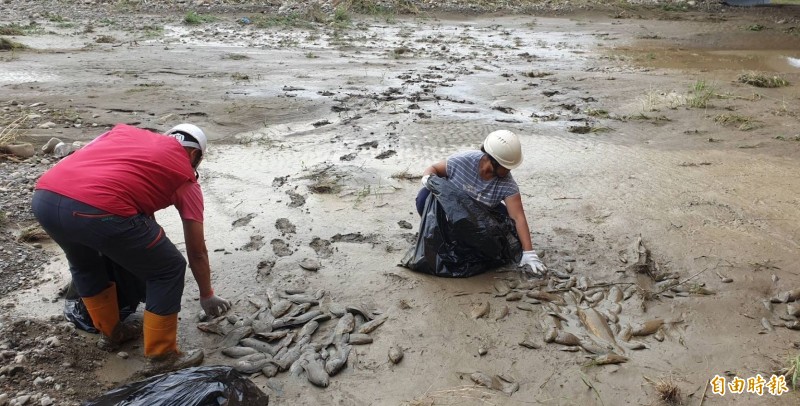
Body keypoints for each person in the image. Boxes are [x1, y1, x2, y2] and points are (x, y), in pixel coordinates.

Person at [31, 123, 231, 373]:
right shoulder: (185, 176)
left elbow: (86, 158)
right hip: (97, 210)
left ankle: (112, 333)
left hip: (45, 197)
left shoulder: (124, 133)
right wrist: (207, 294)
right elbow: (196, 250)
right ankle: (162, 356)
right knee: (168, 268)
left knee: (84, 264)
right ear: (193, 155)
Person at [416, 129, 547, 275]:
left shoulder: (508, 185)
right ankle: (444, 235)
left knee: (506, 223)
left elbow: (518, 217)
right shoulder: (463, 161)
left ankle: (468, 243)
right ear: (494, 161)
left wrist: (529, 252)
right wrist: (427, 178)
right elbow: (433, 168)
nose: (510, 170)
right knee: (424, 196)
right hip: (452, 211)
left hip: (478, 219)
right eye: (507, 166)